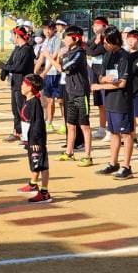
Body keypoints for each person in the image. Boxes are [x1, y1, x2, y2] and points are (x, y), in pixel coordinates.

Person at [94, 29, 134, 179]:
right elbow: (100, 77)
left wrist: (100, 86)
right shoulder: (107, 55)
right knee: (113, 132)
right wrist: (104, 80)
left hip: (122, 101)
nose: (104, 45)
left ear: (115, 41)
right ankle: (113, 163)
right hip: (110, 100)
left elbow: (122, 83)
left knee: (126, 134)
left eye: (106, 43)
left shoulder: (125, 57)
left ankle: (126, 167)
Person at [55, 25, 93, 167]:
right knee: (70, 124)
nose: (64, 39)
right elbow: (61, 65)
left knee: (84, 125)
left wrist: (49, 57)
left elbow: (64, 68)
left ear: (76, 39)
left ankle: (88, 156)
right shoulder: (69, 52)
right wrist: (59, 56)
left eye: (67, 37)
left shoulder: (79, 53)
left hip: (80, 93)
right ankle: (69, 152)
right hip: (70, 92)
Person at [18, 74, 51, 203]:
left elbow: (38, 123)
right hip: (30, 138)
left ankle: (44, 193)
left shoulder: (35, 103)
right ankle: (33, 184)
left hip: (36, 140)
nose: (21, 86)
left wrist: (36, 141)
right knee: (34, 163)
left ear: (30, 88)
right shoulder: (28, 100)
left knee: (41, 164)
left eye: (24, 84)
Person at [1, 26, 36, 134]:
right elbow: (10, 62)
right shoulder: (17, 48)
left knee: (22, 109)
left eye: (13, 35)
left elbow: (19, 67)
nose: (12, 37)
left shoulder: (27, 49)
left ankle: (26, 134)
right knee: (15, 110)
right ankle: (17, 131)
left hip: (23, 84)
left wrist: (3, 66)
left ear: (17, 36)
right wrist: (4, 71)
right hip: (15, 83)